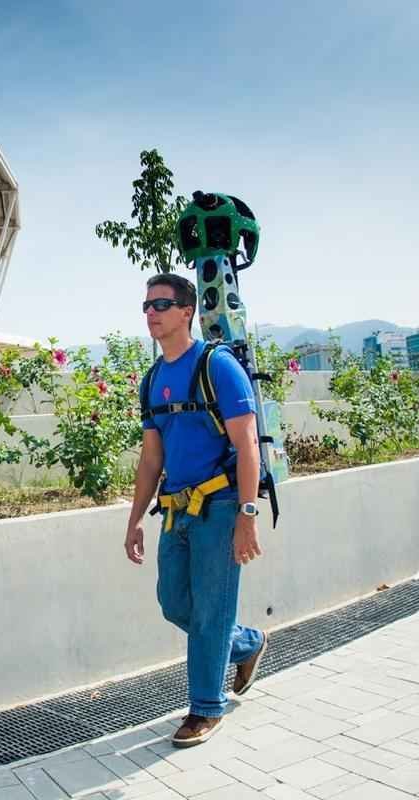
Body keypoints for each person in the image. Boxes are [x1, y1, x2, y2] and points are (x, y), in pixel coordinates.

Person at [125, 272, 269, 748]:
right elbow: (151, 458)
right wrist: (133, 521)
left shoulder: (217, 365)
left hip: (223, 505)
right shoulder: (152, 380)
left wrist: (247, 515)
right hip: (176, 510)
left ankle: (206, 707)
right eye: (146, 306)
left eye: (161, 304)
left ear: (187, 311)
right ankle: (247, 642)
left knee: (209, 614)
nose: (151, 313)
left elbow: (247, 444)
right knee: (175, 604)